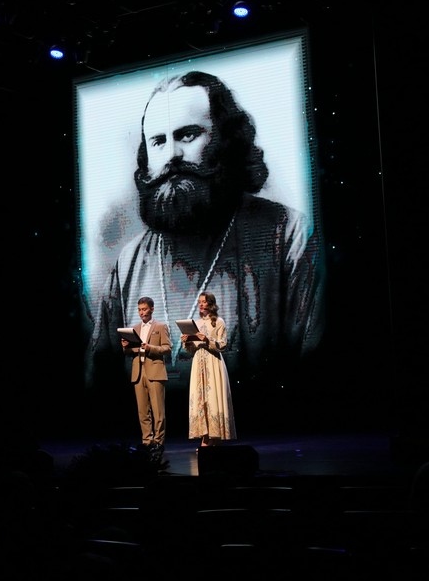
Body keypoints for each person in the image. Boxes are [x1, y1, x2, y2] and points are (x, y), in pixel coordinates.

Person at [87, 70, 324, 389]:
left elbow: (313, 374)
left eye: (187, 135)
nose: (171, 155)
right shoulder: (129, 262)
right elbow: (102, 384)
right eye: (158, 141)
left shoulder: (290, 236)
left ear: (226, 141)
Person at [121, 296, 171, 465]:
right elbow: (130, 352)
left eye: (144, 309)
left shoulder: (160, 326)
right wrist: (125, 347)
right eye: (140, 310)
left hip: (155, 372)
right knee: (143, 412)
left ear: (151, 309)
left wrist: (151, 348)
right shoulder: (135, 329)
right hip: (139, 372)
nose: (142, 312)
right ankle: (147, 442)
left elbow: (167, 348)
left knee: (158, 411)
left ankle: (158, 443)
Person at [181, 291, 236, 448]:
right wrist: (187, 341)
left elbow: (222, 345)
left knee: (213, 397)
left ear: (211, 304)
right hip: (199, 362)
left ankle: (215, 437)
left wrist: (207, 340)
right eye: (200, 302)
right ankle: (205, 436)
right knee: (201, 398)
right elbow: (191, 349)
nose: (201, 304)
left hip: (213, 362)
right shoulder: (196, 323)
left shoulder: (218, 322)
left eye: (204, 302)